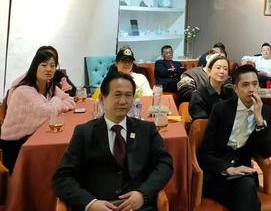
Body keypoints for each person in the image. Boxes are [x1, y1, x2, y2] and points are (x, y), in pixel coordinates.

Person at [52, 72, 173, 211]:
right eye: (117, 95)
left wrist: (143, 194)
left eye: (128, 95)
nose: (123, 101)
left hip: (138, 207)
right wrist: (90, 203)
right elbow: (62, 177)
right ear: (102, 99)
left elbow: (165, 164)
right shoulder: (84, 133)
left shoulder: (146, 130)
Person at [197, 65, 271, 211]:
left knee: (246, 188)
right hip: (218, 174)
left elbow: (267, 152)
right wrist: (228, 169)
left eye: (255, 84)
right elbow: (205, 153)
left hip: (244, 174)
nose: (251, 89)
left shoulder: (264, 111)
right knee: (247, 193)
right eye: (245, 85)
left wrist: (259, 120)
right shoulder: (221, 109)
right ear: (236, 89)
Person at [0, 46, 75, 173]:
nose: (49, 69)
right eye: (44, 65)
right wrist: (57, 101)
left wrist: (54, 103)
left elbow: (69, 99)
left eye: (52, 65)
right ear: (35, 66)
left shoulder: (49, 86)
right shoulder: (23, 90)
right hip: (16, 147)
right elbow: (49, 113)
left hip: (34, 137)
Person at [189, 55, 235, 120]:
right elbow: (201, 123)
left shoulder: (231, 93)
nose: (222, 71)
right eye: (218, 68)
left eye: (225, 69)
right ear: (209, 71)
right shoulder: (198, 95)